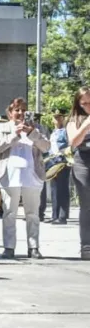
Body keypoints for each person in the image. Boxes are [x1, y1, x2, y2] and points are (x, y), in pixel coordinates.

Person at [0, 98, 50, 260]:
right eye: (17, 110)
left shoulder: (37, 127)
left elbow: (46, 147)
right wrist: (14, 135)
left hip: (32, 176)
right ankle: (9, 247)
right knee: (10, 212)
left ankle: (33, 247)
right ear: (10, 113)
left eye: (24, 110)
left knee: (32, 214)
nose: (21, 113)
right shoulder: (1, 128)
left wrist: (32, 133)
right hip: (9, 176)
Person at [66, 87, 90, 260]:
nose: (88, 106)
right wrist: (87, 124)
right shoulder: (74, 120)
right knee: (87, 206)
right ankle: (86, 247)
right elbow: (73, 141)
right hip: (83, 162)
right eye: (84, 104)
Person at [48, 109, 71, 225]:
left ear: (63, 118)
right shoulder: (53, 132)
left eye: (59, 117)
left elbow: (70, 145)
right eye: (55, 117)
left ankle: (62, 216)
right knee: (54, 189)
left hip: (62, 161)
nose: (57, 120)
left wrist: (63, 154)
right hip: (53, 161)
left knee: (62, 189)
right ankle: (54, 215)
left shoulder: (66, 131)